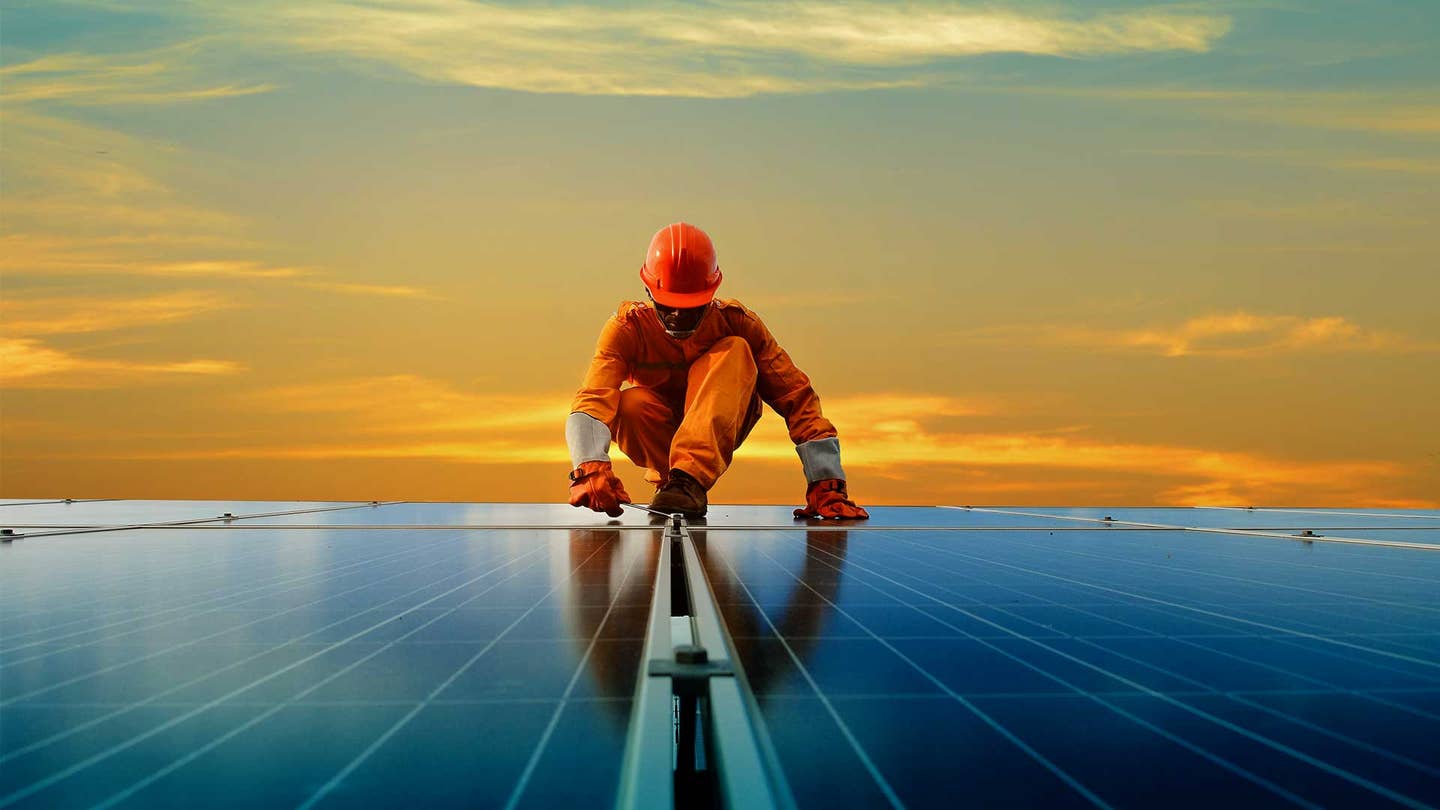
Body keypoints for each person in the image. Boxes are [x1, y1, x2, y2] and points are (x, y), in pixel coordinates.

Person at [565, 221, 868, 520]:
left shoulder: (739, 324)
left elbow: (796, 397)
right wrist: (588, 466)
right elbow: (593, 399)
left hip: (724, 418)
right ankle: (676, 482)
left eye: (690, 307)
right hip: (661, 439)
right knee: (628, 404)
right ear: (647, 290)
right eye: (667, 306)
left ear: (711, 293)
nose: (677, 317)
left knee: (735, 350)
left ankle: (689, 481)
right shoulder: (626, 330)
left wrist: (826, 482)